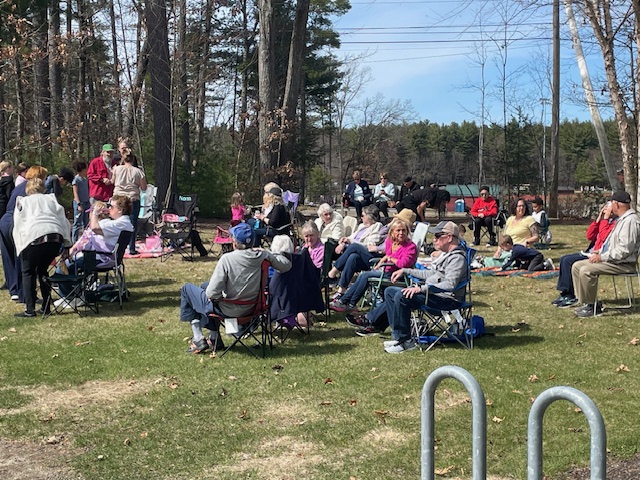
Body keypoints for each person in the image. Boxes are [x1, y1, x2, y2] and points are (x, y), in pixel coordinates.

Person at [179, 223, 292, 354]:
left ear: (234, 242)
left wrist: (218, 296)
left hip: (228, 310)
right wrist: (268, 253)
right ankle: (215, 338)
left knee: (187, 289)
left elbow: (212, 294)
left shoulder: (227, 259)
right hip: (253, 309)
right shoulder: (261, 256)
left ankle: (198, 338)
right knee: (205, 285)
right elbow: (287, 266)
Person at [364, 221, 468, 352]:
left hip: (447, 300)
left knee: (402, 296)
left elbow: (450, 284)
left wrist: (421, 289)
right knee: (390, 291)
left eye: (437, 236)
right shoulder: (446, 255)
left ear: (449, 237)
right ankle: (398, 337)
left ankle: (406, 342)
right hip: (434, 294)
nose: (434, 239)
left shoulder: (457, 258)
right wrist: (406, 271)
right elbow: (431, 273)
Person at [570, 191, 640, 318]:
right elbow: (614, 244)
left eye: (611, 204)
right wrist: (600, 251)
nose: (610, 208)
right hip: (614, 260)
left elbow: (624, 250)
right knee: (576, 266)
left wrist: (602, 257)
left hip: (624, 264)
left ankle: (592, 306)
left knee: (586, 270)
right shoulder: (622, 219)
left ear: (616, 205)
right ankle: (584, 302)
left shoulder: (630, 221)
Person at [329, 217, 417, 313]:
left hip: (396, 274)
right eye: (398, 230)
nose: (401, 233)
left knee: (364, 275)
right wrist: (382, 262)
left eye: (403, 230)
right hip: (385, 269)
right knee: (353, 257)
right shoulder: (390, 242)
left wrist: (389, 259)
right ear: (392, 232)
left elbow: (404, 263)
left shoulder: (410, 247)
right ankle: (347, 302)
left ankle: (346, 301)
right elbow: (388, 255)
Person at [12, 177, 72, 317]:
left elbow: (18, 224)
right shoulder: (51, 199)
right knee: (43, 271)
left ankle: (30, 309)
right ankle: (46, 306)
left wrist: (19, 246)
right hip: (54, 238)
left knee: (28, 272)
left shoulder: (23, 201)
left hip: (34, 237)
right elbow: (63, 221)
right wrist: (67, 244)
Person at [553, 201, 616, 308]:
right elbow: (590, 236)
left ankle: (570, 295)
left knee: (568, 261)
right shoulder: (604, 221)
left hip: (599, 254)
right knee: (564, 259)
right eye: (605, 208)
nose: (606, 211)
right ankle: (565, 293)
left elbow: (605, 236)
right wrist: (599, 219)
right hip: (590, 252)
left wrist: (605, 220)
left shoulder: (615, 224)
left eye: (608, 209)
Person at [0, 166, 48, 303]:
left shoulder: (19, 186)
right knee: (23, 258)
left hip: (4, 221)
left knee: (9, 258)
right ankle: (24, 295)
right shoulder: (33, 189)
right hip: (15, 221)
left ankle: (14, 290)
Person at [328, 204, 385, 298]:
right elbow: (351, 237)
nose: (361, 217)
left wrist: (350, 242)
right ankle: (341, 291)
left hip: (370, 256)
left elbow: (371, 243)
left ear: (369, 216)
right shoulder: (362, 226)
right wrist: (343, 242)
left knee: (354, 246)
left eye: (363, 215)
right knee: (352, 257)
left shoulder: (377, 226)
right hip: (356, 254)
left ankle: (332, 273)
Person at [112, 149, 147, 255]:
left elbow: (113, 182)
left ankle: (114, 246)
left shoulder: (117, 169)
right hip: (132, 199)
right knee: (132, 224)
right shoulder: (138, 172)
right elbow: (144, 187)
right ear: (133, 159)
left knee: (116, 223)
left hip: (118, 199)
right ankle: (131, 248)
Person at [486, 198, 538, 267]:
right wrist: (498, 251)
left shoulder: (529, 219)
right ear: (515, 208)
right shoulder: (510, 219)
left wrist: (526, 241)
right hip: (507, 249)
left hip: (520, 250)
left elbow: (536, 237)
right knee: (496, 259)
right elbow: (503, 237)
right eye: (519, 206)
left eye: (523, 206)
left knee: (506, 261)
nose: (521, 208)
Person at [71, 161, 90, 242]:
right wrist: (78, 204)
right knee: (77, 224)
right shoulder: (76, 180)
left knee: (86, 224)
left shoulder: (85, 179)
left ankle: (84, 240)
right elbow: (75, 192)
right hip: (80, 203)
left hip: (86, 202)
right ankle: (74, 241)